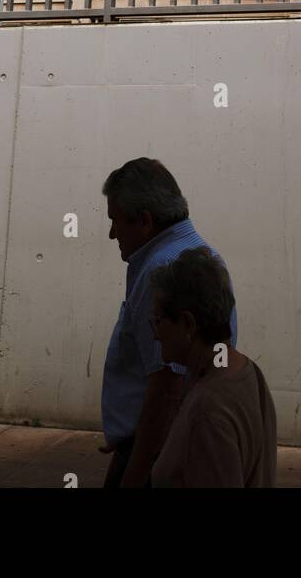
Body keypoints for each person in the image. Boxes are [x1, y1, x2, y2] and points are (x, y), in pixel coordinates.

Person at [100, 158, 237, 489]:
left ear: (145, 221)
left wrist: (134, 472)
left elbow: (167, 387)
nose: (111, 234)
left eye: (115, 222)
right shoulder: (197, 254)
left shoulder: (162, 271)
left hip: (156, 452)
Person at [150, 248, 277, 488]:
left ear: (188, 323)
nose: (156, 335)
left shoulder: (206, 413)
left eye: (158, 321)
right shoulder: (247, 372)